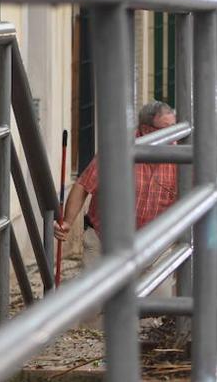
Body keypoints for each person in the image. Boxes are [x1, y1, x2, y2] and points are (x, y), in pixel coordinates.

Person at [54, 100, 179, 272]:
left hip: (154, 248)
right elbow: (83, 185)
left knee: (157, 298)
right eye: (165, 130)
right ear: (145, 129)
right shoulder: (117, 150)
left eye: (174, 129)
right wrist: (67, 222)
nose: (172, 138)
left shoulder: (179, 156)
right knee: (97, 297)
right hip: (105, 242)